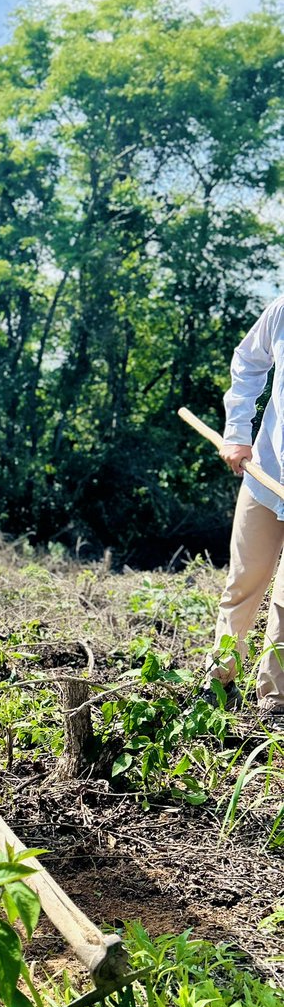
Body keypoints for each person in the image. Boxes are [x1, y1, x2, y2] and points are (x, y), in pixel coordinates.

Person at [204, 294, 284, 723]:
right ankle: (220, 679)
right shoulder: (283, 309)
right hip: (268, 471)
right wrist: (237, 432)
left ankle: (274, 697)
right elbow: (250, 361)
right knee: (243, 581)